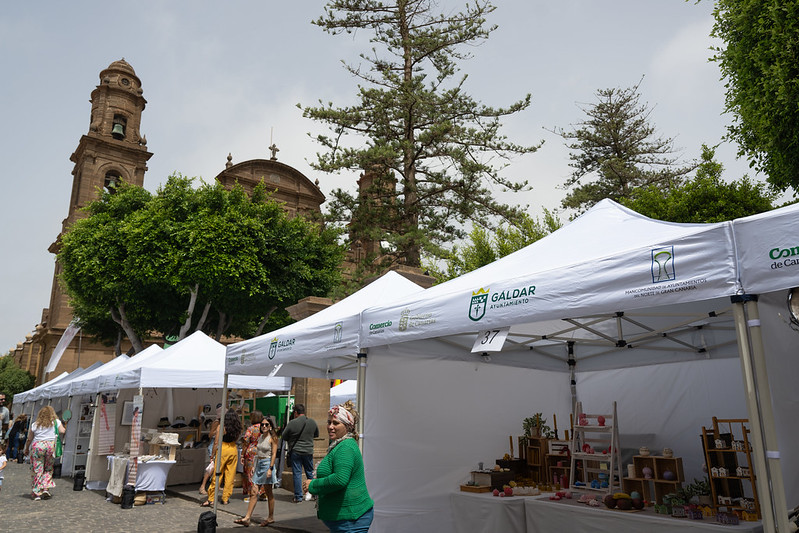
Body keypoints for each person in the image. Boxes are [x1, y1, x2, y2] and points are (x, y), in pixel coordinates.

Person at [303, 401, 374, 532]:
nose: (330, 426)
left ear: (347, 426)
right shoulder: (340, 445)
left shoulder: (345, 447)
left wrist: (313, 485)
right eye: (329, 422)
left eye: (336, 423)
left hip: (351, 520)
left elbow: (340, 479)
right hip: (347, 519)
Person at [234, 415, 278, 527]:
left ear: (270, 426)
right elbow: (258, 454)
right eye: (262, 424)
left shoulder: (272, 438)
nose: (263, 426)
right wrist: (254, 465)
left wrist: (270, 469)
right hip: (259, 465)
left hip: (267, 465)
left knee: (268, 492)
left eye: (266, 424)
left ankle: (271, 517)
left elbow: (273, 454)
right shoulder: (261, 437)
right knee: (254, 491)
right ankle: (247, 517)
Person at [23, 405, 65, 500]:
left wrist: (26, 449)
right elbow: (62, 431)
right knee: (48, 468)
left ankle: (37, 492)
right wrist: (65, 423)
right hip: (50, 446)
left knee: (38, 469)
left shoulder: (35, 424)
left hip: (38, 446)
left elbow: (29, 438)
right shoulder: (55, 422)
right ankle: (45, 488)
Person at [201, 409, 242, 507]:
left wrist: (213, 454)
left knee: (217, 474)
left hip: (223, 449)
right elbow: (237, 438)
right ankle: (225, 498)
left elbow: (216, 442)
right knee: (230, 475)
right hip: (233, 448)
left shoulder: (222, 426)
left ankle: (211, 498)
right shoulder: (237, 427)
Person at [282, 403, 318, 503]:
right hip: (308, 451)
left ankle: (298, 496)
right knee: (310, 472)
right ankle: (315, 494)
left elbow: (284, 436)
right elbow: (316, 434)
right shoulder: (312, 422)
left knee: (297, 473)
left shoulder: (292, 423)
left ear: (296, 412)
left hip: (296, 451)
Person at [240, 410, 265, 500]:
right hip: (262, 451)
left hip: (252, 452)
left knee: (250, 473)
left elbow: (246, 442)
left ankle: (252, 493)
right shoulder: (264, 428)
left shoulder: (251, 429)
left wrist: (242, 454)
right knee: (261, 472)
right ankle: (262, 492)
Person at [198, 417, 220, 496]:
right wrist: (218, 432)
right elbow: (210, 435)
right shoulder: (217, 422)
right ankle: (202, 486)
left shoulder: (224, 423)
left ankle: (217, 485)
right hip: (214, 446)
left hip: (219, 446)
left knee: (217, 467)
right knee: (212, 466)